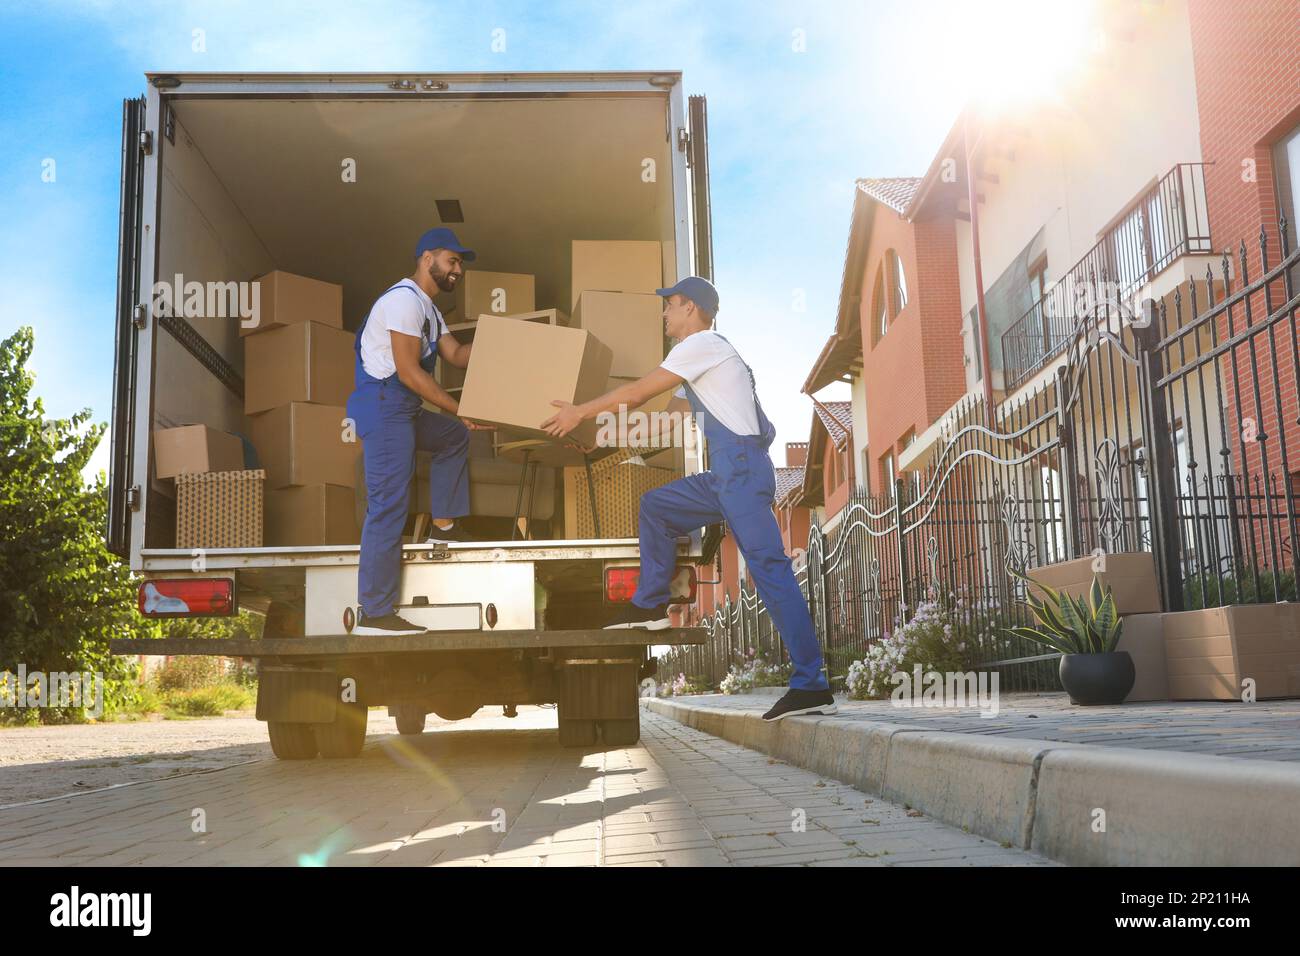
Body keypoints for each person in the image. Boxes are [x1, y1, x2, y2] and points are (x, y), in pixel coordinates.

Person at [541, 276, 836, 721]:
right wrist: (600, 441)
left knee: (770, 571)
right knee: (657, 507)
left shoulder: (705, 344)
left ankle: (811, 683)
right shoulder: (697, 363)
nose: (665, 313)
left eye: (671, 305)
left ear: (693, 309)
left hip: (740, 469)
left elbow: (640, 391)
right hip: (726, 474)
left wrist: (578, 411)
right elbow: (663, 424)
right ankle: (651, 606)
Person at [346, 227, 491, 637]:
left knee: (452, 437)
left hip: (403, 410)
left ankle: (443, 527)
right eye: (453, 260)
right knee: (389, 503)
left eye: (460, 263)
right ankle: (374, 612)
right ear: (427, 258)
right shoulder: (402, 301)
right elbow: (409, 372)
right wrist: (459, 408)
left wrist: (502, 341)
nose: (457, 270)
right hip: (385, 407)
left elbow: (458, 355)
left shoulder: (429, 310)